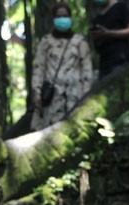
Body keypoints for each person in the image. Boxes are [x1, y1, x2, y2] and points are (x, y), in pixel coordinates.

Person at [31, 2, 93, 131]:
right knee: (50, 130)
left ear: (70, 17)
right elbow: (39, 68)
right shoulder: (46, 42)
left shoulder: (79, 42)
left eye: (65, 16)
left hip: (75, 95)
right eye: (59, 16)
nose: (62, 19)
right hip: (52, 97)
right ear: (53, 19)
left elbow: (86, 70)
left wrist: (86, 94)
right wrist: (37, 92)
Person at [89, 0, 129, 80]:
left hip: (120, 61)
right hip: (104, 66)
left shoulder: (121, 7)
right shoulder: (97, 19)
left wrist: (108, 33)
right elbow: (98, 49)